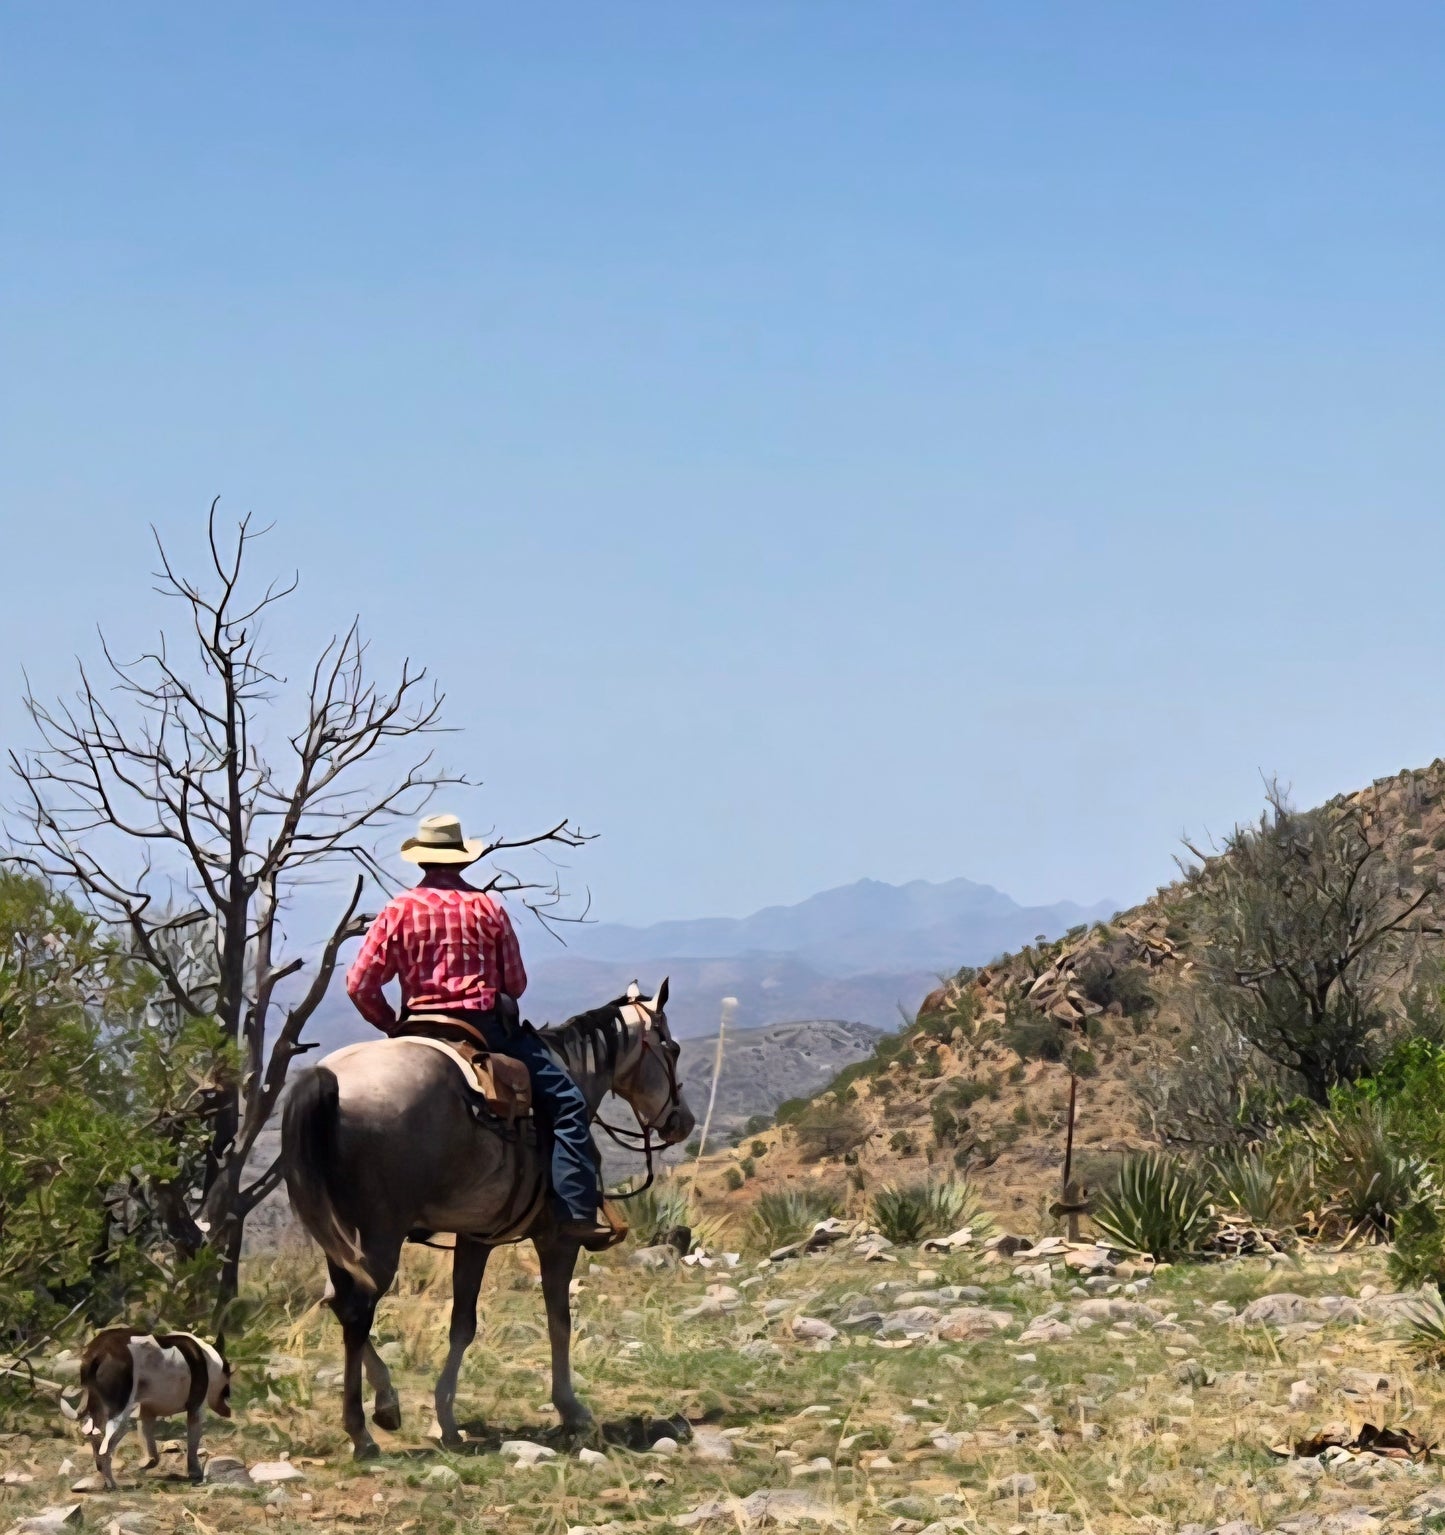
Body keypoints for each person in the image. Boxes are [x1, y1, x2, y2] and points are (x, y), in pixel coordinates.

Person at [345, 812, 612, 1248]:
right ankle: (576, 1210)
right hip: (482, 1029)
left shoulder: (398, 910)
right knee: (567, 1102)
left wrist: (391, 1025)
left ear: (421, 861)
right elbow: (516, 984)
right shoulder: (487, 908)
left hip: (417, 1029)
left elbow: (359, 984)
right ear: (462, 860)